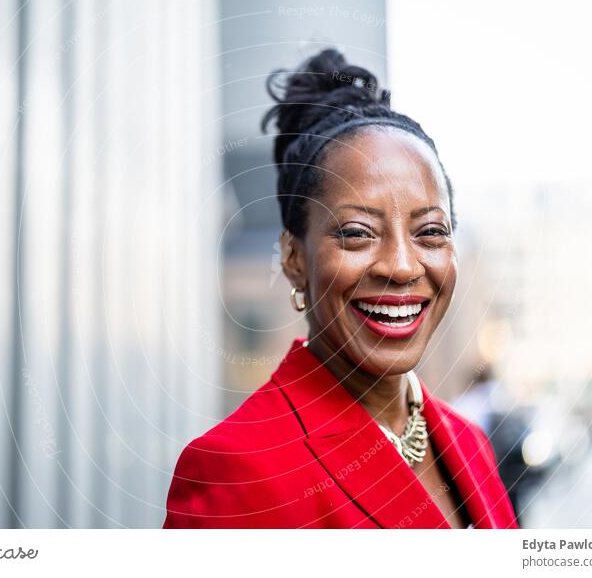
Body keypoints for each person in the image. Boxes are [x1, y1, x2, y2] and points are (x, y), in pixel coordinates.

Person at [163, 49, 518, 529]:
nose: (401, 265)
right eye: (356, 232)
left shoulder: (469, 444)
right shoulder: (238, 470)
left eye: (431, 232)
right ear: (293, 260)